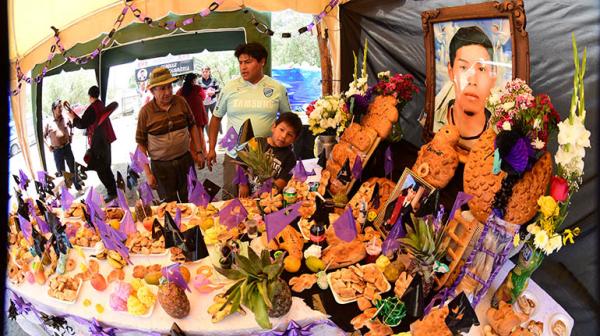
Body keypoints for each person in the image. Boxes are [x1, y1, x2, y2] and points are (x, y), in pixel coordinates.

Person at [206, 42, 292, 199]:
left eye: (248, 62)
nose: (243, 67)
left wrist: (286, 149)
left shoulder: (277, 88)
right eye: (240, 62)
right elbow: (216, 118)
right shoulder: (230, 88)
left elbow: (288, 120)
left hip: (266, 158)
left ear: (262, 62)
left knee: (264, 199)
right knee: (231, 198)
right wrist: (211, 148)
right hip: (234, 155)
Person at [135, 67, 206, 203]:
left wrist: (199, 151)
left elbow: (192, 126)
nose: (167, 92)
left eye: (169, 87)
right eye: (162, 88)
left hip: (185, 160)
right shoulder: (145, 112)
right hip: (161, 166)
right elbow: (141, 144)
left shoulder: (181, 102)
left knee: (191, 198)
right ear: (152, 90)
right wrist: (148, 173)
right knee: (169, 205)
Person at [433, 26, 498, 149]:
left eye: (482, 69)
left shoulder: (500, 135)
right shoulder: (433, 120)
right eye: (463, 67)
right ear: (451, 71)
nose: (472, 80)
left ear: (493, 77)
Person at [65, 86, 117, 201]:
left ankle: (112, 191)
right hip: (105, 140)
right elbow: (86, 121)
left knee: (101, 168)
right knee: (106, 167)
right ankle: (113, 190)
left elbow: (82, 124)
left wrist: (72, 118)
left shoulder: (92, 108)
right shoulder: (101, 105)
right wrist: (74, 116)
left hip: (98, 142)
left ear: (90, 96)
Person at [238, 112, 302, 198]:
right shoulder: (257, 142)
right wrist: (243, 184)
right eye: (281, 130)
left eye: (289, 134)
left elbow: (281, 182)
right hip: (246, 192)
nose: (283, 136)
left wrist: (263, 193)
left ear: (295, 139)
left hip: (269, 198)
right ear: (273, 127)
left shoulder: (290, 158)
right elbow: (240, 164)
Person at [43, 99, 81, 191]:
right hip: (57, 151)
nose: (61, 109)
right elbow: (43, 136)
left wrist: (71, 135)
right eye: (59, 107)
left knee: (73, 168)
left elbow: (72, 126)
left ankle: (78, 187)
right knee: (61, 172)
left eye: (61, 107)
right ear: (53, 109)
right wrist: (48, 145)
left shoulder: (65, 118)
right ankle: (66, 193)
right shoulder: (48, 123)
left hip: (67, 147)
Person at [176, 73, 208, 154]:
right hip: (198, 116)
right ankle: (201, 154)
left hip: (187, 117)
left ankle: (193, 155)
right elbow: (204, 97)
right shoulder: (198, 88)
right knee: (199, 135)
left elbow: (177, 100)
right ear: (193, 80)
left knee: (189, 136)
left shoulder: (180, 90)